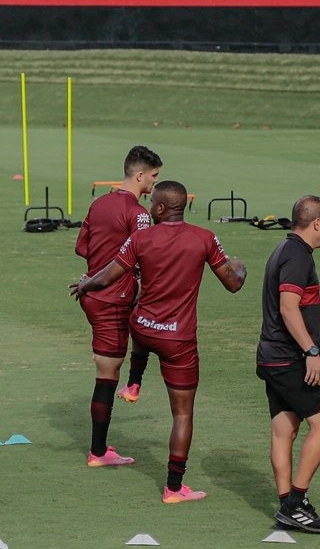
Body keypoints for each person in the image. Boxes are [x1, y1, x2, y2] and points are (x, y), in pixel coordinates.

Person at [73, 181, 247, 504]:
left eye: (152, 203)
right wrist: (241, 267)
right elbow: (233, 283)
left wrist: (86, 286)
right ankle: (173, 488)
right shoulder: (205, 238)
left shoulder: (140, 238)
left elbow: (108, 274)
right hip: (176, 339)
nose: (148, 207)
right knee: (182, 414)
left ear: (162, 208)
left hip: (142, 329)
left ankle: (134, 383)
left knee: (139, 329)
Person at [73, 144, 161, 467]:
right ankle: (98, 452)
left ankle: (134, 384)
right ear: (139, 175)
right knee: (107, 373)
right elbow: (146, 252)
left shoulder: (98, 204)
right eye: (153, 176)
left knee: (139, 333)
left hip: (93, 294)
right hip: (113, 298)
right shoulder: (138, 214)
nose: (154, 183)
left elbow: (81, 246)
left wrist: (98, 266)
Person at [257, 195, 320, 533]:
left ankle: (286, 502)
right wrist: (311, 352)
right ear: (316, 222)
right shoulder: (297, 256)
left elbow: (294, 308)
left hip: (273, 356)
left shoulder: (283, 249)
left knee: (284, 430)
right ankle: (295, 503)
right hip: (290, 358)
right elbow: (289, 309)